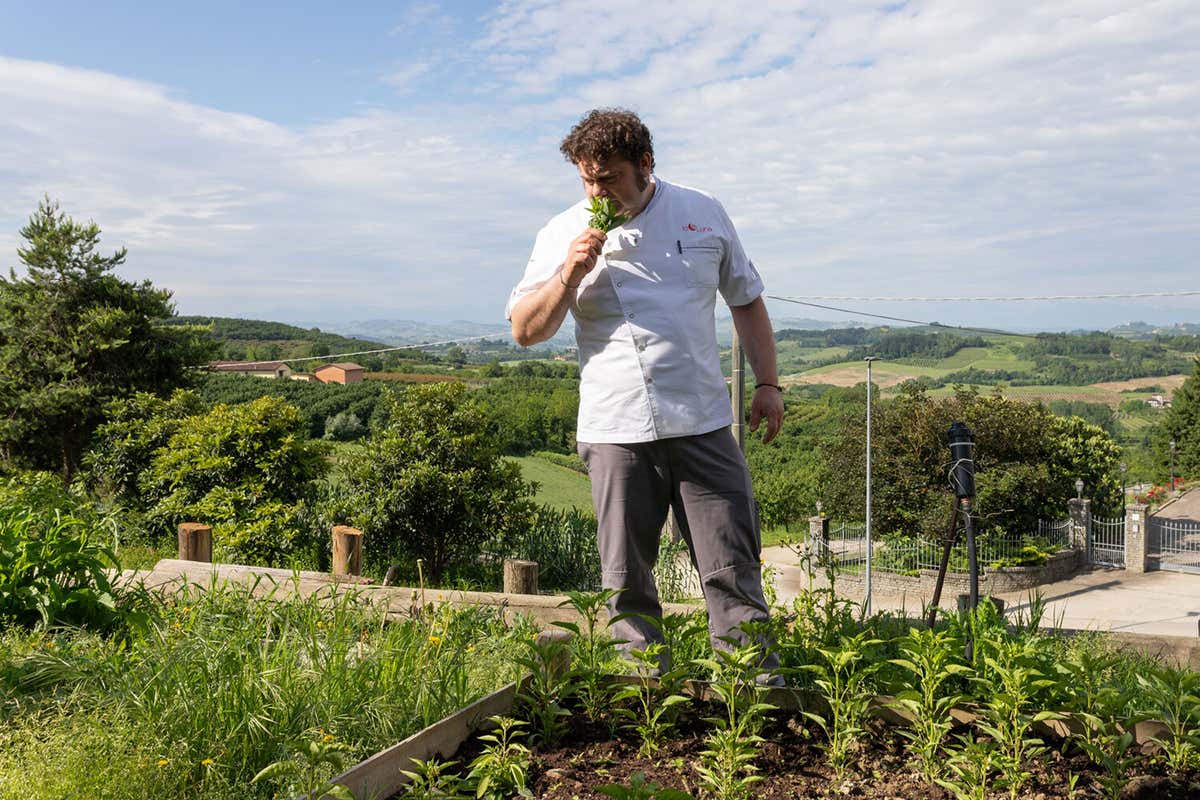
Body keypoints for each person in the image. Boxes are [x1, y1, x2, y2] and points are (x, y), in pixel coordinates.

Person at [506, 108, 784, 669]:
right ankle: (644, 702)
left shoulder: (701, 212)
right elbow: (525, 331)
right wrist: (569, 274)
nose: (597, 191)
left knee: (732, 568)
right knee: (626, 583)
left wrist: (768, 384)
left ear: (645, 164)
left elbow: (746, 300)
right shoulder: (562, 231)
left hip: (703, 420)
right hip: (614, 428)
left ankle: (754, 698)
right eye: (587, 179)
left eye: (608, 178)